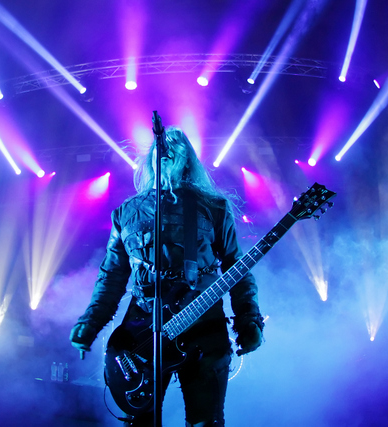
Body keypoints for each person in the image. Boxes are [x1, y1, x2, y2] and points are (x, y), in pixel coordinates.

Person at [69, 127, 264, 426]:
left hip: (204, 327)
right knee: (141, 422)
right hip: (142, 332)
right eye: (162, 148)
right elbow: (111, 276)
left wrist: (249, 320)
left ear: (187, 159)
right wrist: (90, 323)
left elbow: (236, 268)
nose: (167, 152)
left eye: (176, 148)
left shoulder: (214, 207)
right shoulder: (126, 212)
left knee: (206, 422)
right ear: (151, 158)